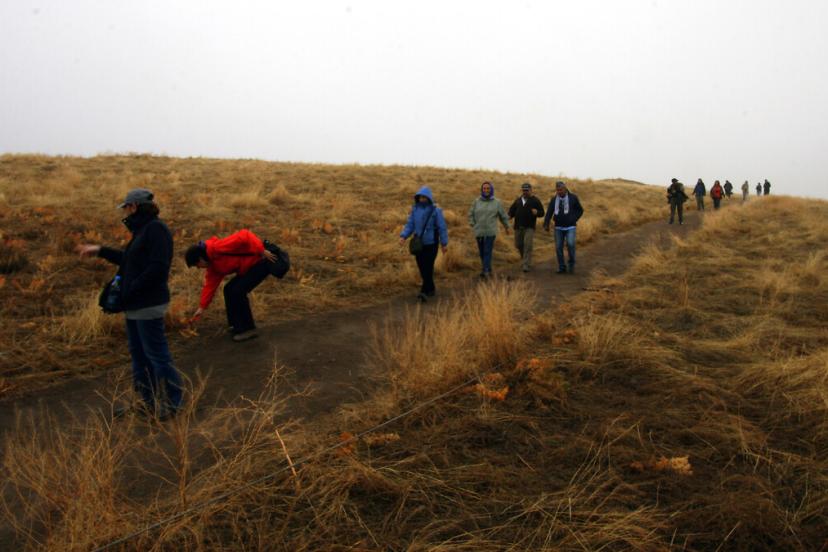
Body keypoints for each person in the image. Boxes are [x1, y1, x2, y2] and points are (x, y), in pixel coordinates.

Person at [77, 188, 182, 420]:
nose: (124, 211)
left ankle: (173, 403)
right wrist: (100, 251)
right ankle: (147, 403)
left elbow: (158, 267)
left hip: (148, 303)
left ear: (134, 206)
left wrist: (132, 289)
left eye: (126, 207)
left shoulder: (156, 229)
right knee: (139, 355)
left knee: (156, 355)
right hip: (134, 304)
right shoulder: (142, 230)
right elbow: (129, 260)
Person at [185, 229, 277, 342]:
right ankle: (235, 325)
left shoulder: (217, 247)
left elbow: (245, 235)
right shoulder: (213, 266)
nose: (199, 268)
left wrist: (261, 250)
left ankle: (248, 329)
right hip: (248, 268)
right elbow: (210, 286)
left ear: (200, 259)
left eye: (197, 265)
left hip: (260, 261)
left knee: (237, 291)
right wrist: (202, 307)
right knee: (228, 289)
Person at [399, 186, 449, 302]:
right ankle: (431, 288)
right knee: (422, 267)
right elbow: (410, 225)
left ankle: (424, 291)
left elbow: (442, 227)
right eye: (420, 197)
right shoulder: (414, 210)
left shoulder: (436, 211)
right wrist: (403, 236)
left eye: (424, 197)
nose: (422, 199)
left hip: (432, 243)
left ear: (429, 198)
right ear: (417, 198)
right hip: (419, 243)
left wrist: (444, 243)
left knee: (428, 266)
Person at [468, 181, 510, 278]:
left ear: (491, 189)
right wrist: (473, 224)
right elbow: (470, 214)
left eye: (488, 188)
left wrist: (507, 226)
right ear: (482, 190)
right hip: (479, 231)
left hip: (491, 231)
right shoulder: (476, 202)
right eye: (484, 189)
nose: (486, 190)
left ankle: (485, 270)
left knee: (487, 250)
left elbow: (503, 215)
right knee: (482, 252)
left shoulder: (497, 202)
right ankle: (487, 268)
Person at [543, 181, 584, 274]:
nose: (559, 192)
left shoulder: (573, 198)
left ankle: (571, 264)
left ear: (565, 189)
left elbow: (580, 210)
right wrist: (546, 224)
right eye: (557, 190)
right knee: (558, 247)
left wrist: (574, 218)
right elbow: (549, 212)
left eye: (561, 190)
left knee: (570, 244)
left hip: (570, 227)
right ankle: (562, 267)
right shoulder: (554, 200)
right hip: (558, 227)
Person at [507, 183, 545, 272]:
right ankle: (524, 259)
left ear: (531, 190)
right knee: (518, 244)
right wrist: (509, 216)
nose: (525, 192)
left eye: (527, 190)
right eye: (523, 190)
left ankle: (526, 264)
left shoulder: (535, 200)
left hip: (529, 227)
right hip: (518, 227)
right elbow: (511, 211)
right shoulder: (518, 200)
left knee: (528, 245)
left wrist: (537, 212)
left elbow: (542, 212)